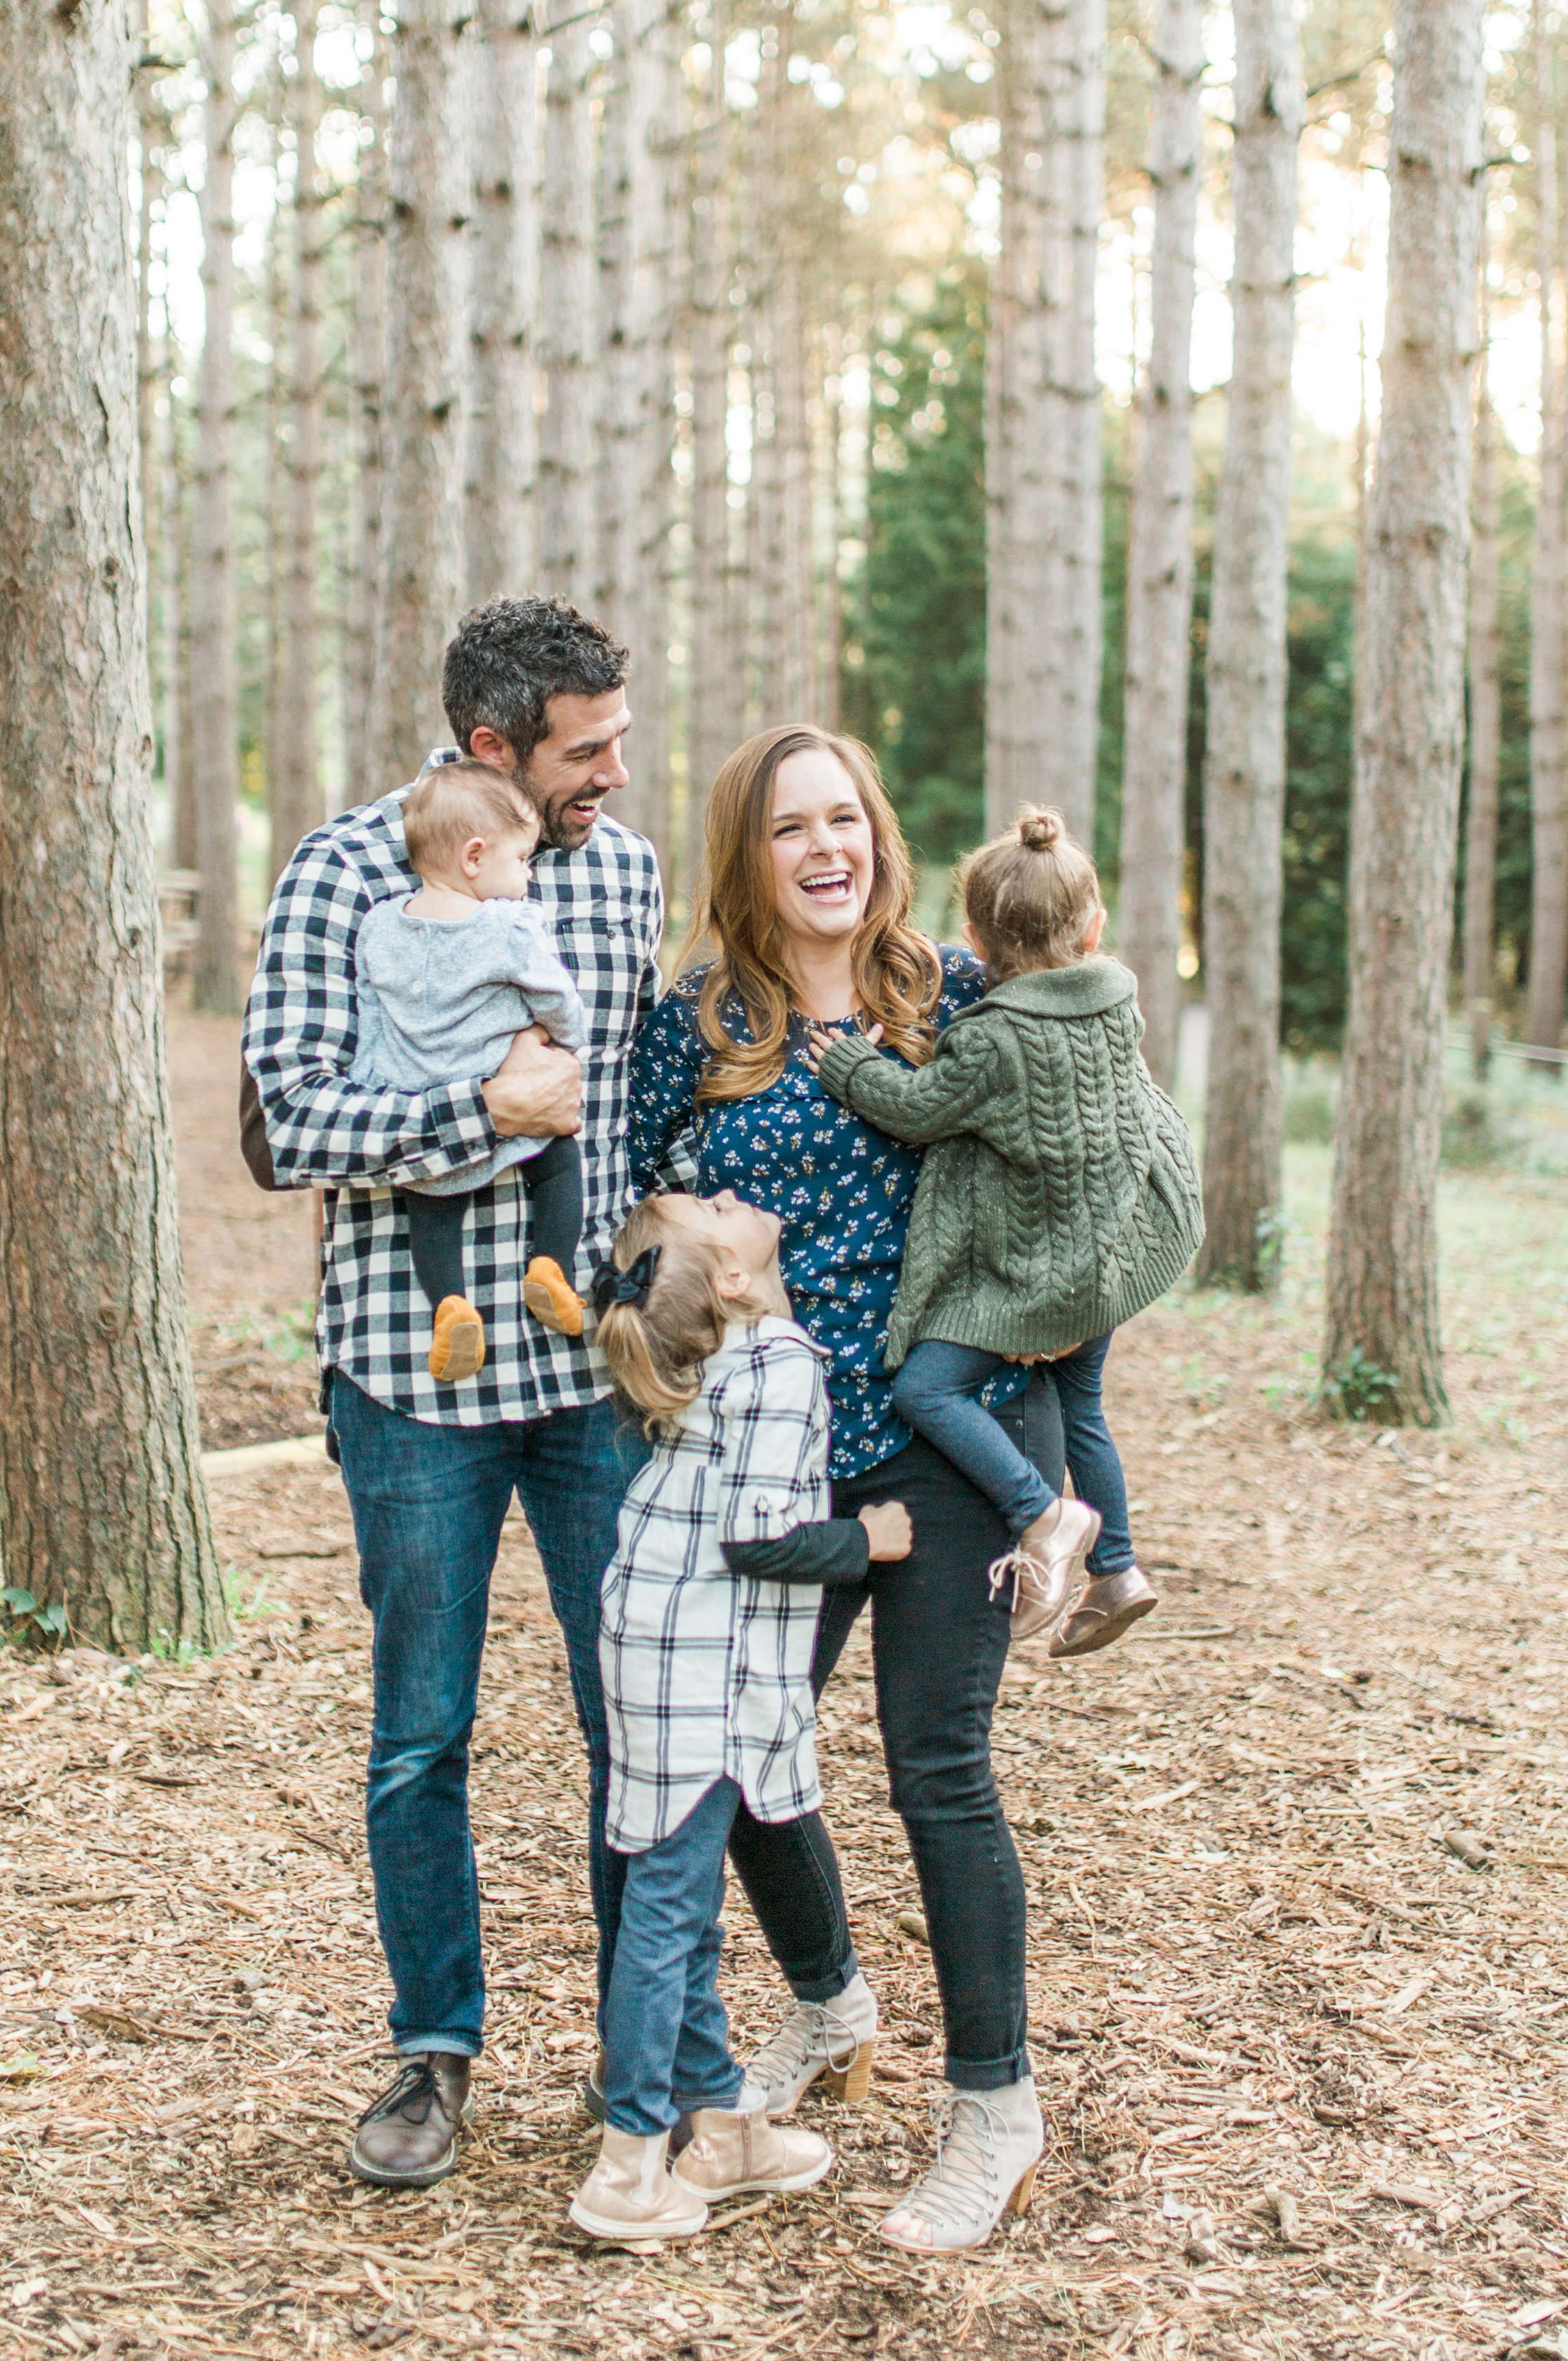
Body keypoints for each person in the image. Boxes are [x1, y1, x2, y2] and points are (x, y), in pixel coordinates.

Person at [241, 596, 663, 2188]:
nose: (615, 771)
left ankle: (652, 2043)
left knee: (636, 1712)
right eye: (587, 747)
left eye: (621, 736)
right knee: (422, 1733)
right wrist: (474, 1105)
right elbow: (291, 1117)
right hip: (410, 1376)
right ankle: (436, 2048)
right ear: (492, 746)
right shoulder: (344, 868)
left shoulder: (621, 868)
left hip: (593, 1374)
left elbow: (625, 1104)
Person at [625, 722, 1062, 2252]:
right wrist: (702, 1236)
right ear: (746, 855)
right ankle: (826, 2004)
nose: (826, 849)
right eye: (788, 828)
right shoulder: (696, 1015)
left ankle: (991, 2113)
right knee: (736, 1750)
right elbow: (631, 1200)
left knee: (934, 1766)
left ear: (877, 832)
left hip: (952, 1426)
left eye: (846, 820)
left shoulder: (951, 986)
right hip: (778, 1451)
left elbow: (1074, 1156)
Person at [568, 1189, 912, 2242]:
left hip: (648, 1637)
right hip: (704, 1665)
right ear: (729, 1276)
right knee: (671, 1912)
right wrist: (871, 1541)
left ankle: (722, 2125)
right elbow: (761, 1537)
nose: (729, 1190)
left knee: (670, 1893)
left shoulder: (696, 1355)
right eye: (715, 1207)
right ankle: (629, 2164)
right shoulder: (779, 1364)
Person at [806, 806, 1203, 1657]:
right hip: (1103, 1268)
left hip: (1033, 1282)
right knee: (1082, 1404)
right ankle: (1121, 1568)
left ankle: (1042, 1514)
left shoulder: (993, 1041)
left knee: (924, 1390)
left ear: (976, 941)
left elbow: (916, 1113)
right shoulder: (1114, 1006)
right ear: (1094, 927)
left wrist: (847, 1062)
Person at [353, 755, 589, 1384]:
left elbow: (370, 1012)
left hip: (423, 1101)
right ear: (475, 857)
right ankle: (550, 1267)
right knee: (560, 1163)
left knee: (430, 1209)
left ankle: (451, 1308)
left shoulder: (378, 926)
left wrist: (382, 1080)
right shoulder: (507, 926)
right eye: (521, 861)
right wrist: (567, 1040)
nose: (528, 878)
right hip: (506, 1093)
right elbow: (554, 995)